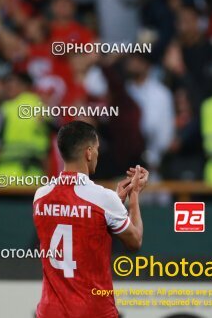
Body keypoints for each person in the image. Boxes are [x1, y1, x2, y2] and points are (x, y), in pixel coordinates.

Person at [33, 120, 149, 318]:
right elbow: (135, 240)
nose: (97, 154)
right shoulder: (103, 199)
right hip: (93, 311)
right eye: (96, 149)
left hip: (50, 312)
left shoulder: (41, 196)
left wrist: (115, 202)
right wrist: (134, 196)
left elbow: (75, 218)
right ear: (88, 152)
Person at [0, 72, 51, 180]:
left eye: (10, 86)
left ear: (23, 86)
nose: (7, 89)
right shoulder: (43, 108)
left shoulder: (6, 109)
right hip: (33, 177)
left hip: (5, 176)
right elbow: (47, 150)